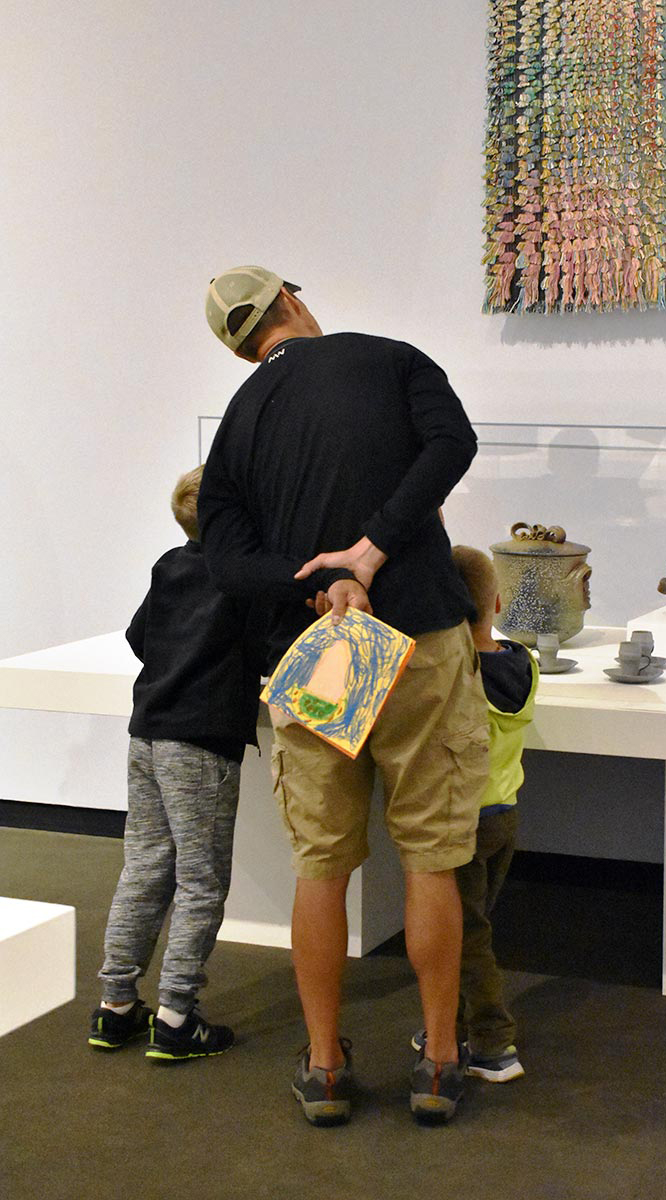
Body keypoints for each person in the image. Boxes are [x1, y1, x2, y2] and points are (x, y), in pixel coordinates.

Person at [199, 265, 489, 1124]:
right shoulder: (391, 358)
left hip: (315, 652)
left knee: (320, 866)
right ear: (291, 299)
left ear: (241, 345)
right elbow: (452, 446)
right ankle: (438, 1061)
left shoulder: (240, 420)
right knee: (432, 856)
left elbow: (223, 559)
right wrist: (370, 553)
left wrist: (316, 588)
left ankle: (324, 1065)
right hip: (421, 637)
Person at [88, 466, 262, 1061]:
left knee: (143, 867)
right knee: (201, 880)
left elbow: (141, 638)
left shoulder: (169, 564)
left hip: (148, 731)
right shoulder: (244, 578)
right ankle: (176, 1015)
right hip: (202, 741)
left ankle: (115, 1006)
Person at [412, 545, 538, 1083]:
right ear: (499, 602)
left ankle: (492, 1041)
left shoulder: (456, 676)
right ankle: (453, 1022)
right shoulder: (523, 663)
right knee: (469, 927)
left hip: (461, 819)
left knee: (467, 937)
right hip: (504, 815)